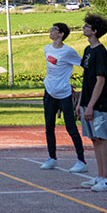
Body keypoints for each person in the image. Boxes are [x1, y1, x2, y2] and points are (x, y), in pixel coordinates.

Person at [40, 22, 87, 172]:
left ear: (61, 34)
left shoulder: (68, 52)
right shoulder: (47, 49)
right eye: (51, 28)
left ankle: (81, 161)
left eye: (54, 29)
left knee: (71, 127)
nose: (51, 31)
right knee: (49, 126)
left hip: (64, 94)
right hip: (49, 92)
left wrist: (84, 88)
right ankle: (52, 158)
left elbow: (84, 66)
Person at [77, 13, 107, 192]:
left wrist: (91, 105)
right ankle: (100, 176)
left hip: (97, 103)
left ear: (95, 31)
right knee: (94, 139)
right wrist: (80, 103)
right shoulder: (87, 50)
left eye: (87, 26)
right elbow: (86, 79)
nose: (83, 28)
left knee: (101, 138)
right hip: (86, 101)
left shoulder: (101, 52)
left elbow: (100, 81)